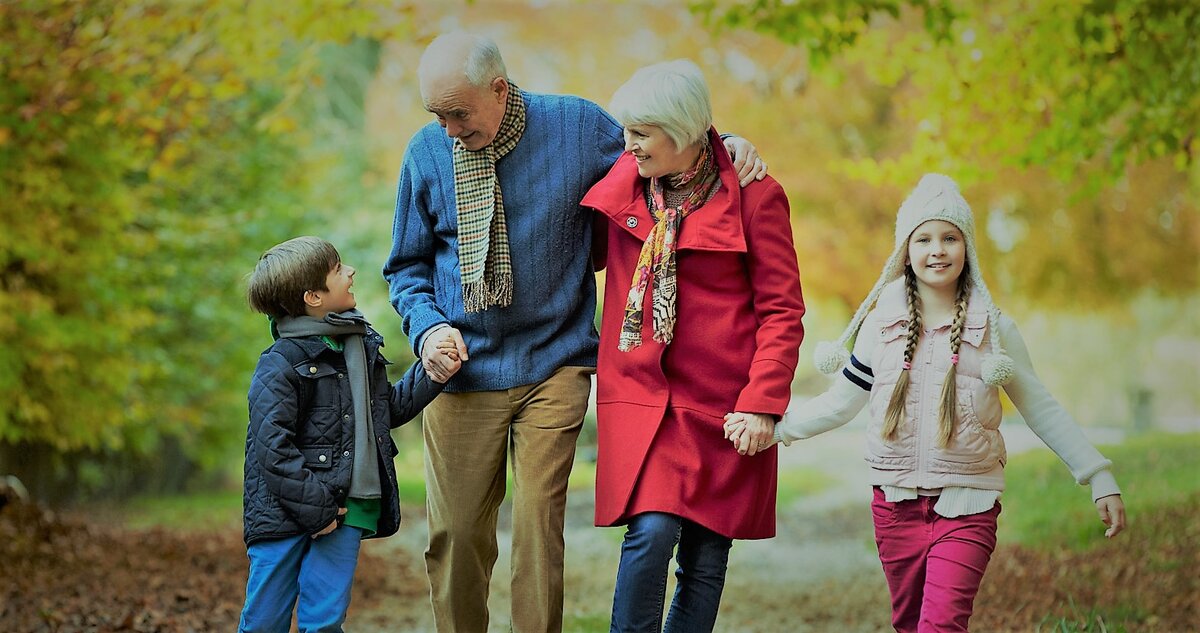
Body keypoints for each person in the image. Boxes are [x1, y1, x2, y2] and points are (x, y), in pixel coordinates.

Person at [383, 33, 767, 633]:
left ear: (499, 90)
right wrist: (428, 329)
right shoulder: (427, 154)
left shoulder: (577, 127)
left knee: (539, 525)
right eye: (438, 114)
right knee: (457, 535)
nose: (450, 128)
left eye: (459, 112)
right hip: (460, 369)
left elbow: (669, 150)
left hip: (555, 361)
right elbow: (406, 266)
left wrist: (729, 147)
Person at [725, 174, 1127, 632]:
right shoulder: (882, 326)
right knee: (910, 624)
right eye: (925, 239)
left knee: (941, 626)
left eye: (950, 238)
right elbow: (842, 403)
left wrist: (1098, 475)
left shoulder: (994, 330)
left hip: (968, 504)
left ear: (967, 248)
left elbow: (1041, 407)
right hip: (894, 507)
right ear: (906, 251)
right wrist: (773, 428)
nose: (937, 250)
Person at [580, 60, 805, 632]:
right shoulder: (625, 182)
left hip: (726, 405)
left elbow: (782, 310)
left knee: (706, 555)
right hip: (645, 399)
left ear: (682, 132)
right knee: (651, 532)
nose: (626, 143)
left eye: (640, 133)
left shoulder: (756, 198)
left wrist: (762, 402)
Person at [239, 236, 458, 633]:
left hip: (349, 506)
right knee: (263, 621)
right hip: (284, 514)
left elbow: (382, 412)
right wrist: (317, 509)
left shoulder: (356, 347)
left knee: (324, 621)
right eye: (338, 270)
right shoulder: (280, 364)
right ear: (313, 296)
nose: (351, 272)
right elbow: (272, 449)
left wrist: (432, 371)